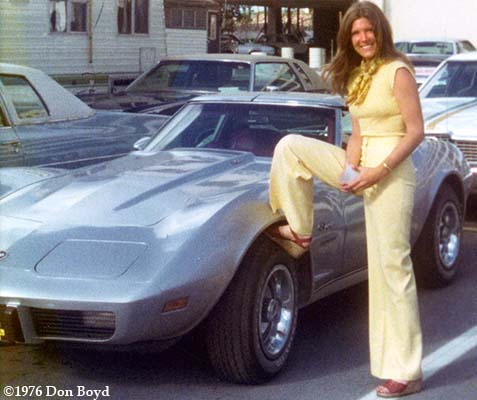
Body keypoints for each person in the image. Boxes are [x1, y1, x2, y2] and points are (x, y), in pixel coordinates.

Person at [268, 1, 424, 397]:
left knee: (392, 269)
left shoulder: (398, 71)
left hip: (391, 173)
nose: (363, 38)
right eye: (355, 33)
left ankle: (406, 370)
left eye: (368, 30)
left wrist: (377, 171)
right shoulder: (356, 75)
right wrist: (350, 168)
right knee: (291, 147)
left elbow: (415, 132)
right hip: (364, 167)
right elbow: (356, 133)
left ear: (380, 32)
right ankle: (302, 230)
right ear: (348, 39)